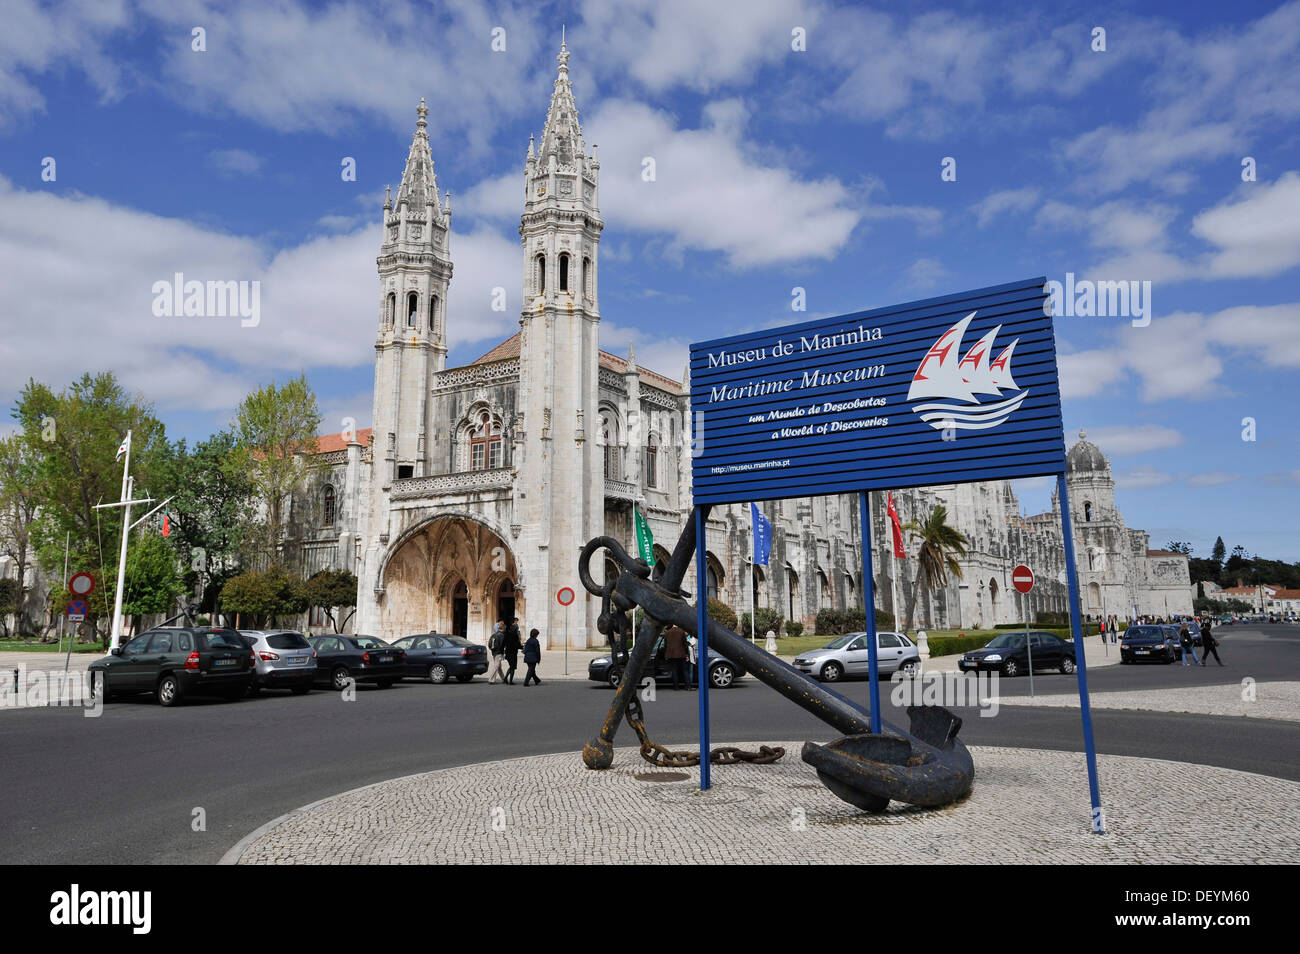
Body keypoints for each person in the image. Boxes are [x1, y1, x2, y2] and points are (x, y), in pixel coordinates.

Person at [663, 623, 689, 691]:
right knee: (684, 670)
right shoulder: (681, 631)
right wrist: (687, 654)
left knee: (674, 670)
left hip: (671, 655)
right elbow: (685, 644)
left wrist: (666, 654)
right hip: (681, 654)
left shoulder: (667, 633)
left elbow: (665, 645)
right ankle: (687, 686)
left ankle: (676, 687)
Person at [503, 616, 522, 684]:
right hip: (513, 653)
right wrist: (523, 647)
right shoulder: (515, 636)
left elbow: (504, 644)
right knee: (513, 667)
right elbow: (517, 645)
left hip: (508, 653)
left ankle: (505, 678)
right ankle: (510, 681)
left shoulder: (507, 635)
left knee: (511, 667)